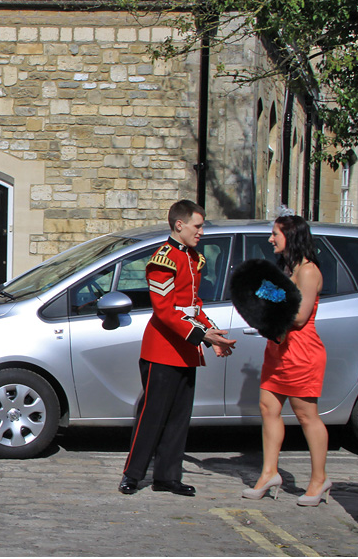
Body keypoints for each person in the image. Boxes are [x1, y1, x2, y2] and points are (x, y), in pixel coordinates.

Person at [119, 199, 236, 496]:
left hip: (185, 349)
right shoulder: (163, 259)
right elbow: (165, 311)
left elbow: (193, 305)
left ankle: (167, 476)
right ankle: (132, 474)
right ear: (179, 225)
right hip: (162, 349)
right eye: (198, 226)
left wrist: (212, 334)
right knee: (151, 416)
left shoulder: (193, 258)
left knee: (178, 418)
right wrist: (203, 336)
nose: (202, 232)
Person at [242, 215, 330, 506]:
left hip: (301, 351)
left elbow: (300, 317)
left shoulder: (307, 271)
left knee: (306, 416)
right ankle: (269, 472)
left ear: (290, 236)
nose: (271, 239)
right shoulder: (287, 268)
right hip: (278, 349)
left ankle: (319, 479)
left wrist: (265, 310)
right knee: (268, 408)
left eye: (275, 234)